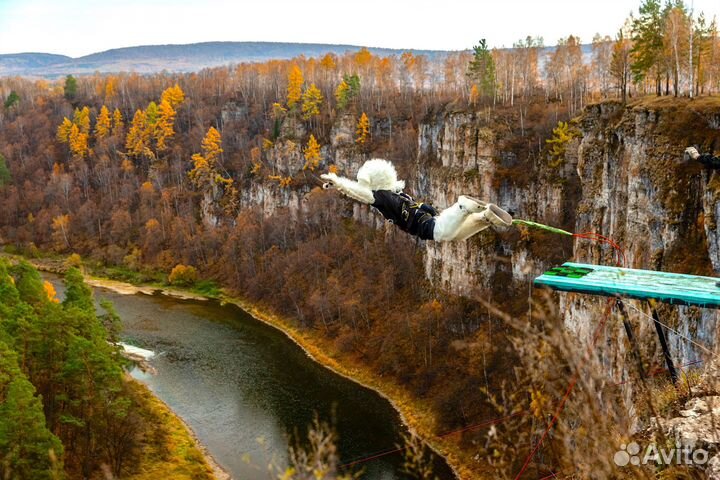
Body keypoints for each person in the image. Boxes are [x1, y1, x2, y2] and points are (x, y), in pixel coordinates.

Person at [320, 158, 513, 242]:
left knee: (443, 234)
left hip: (426, 227)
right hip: (429, 218)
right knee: (458, 235)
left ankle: (463, 206)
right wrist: (424, 207)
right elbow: (412, 206)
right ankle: (486, 217)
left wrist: (338, 183)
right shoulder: (396, 191)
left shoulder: (381, 197)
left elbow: (359, 193)